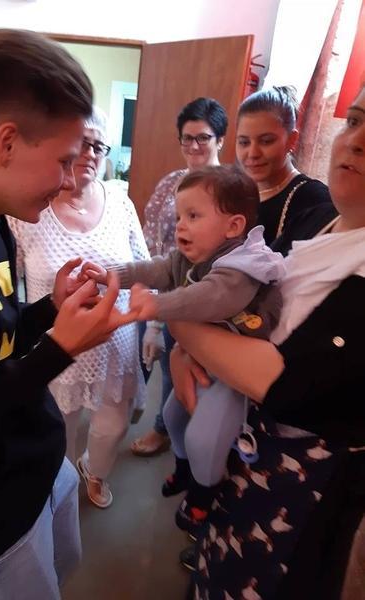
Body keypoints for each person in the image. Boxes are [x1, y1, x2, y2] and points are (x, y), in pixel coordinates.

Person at [0, 29, 137, 600]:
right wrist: (59, 350)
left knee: (62, 572)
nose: (70, 178)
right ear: (7, 143)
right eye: (63, 160)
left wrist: (47, 311)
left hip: (37, 464)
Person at [169, 85, 365, 600]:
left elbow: (282, 381)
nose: (357, 140)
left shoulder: (309, 202)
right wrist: (187, 347)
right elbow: (249, 294)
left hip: (296, 487)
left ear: (291, 139)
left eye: (267, 140)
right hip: (245, 449)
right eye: (354, 120)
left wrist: (177, 322)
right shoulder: (326, 223)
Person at [81, 164, 285, 536]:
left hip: (236, 375)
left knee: (202, 436)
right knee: (174, 417)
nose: (180, 226)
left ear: (233, 227)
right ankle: (185, 469)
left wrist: (157, 306)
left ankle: (202, 497)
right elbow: (156, 268)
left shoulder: (242, 267)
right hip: (205, 359)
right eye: (179, 217)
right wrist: (113, 275)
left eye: (193, 216)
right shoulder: (191, 257)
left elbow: (210, 298)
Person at [9, 107, 149, 510]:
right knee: (60, 426)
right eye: (81, 144)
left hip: (116, 341)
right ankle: (62, 485)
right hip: (58, 347)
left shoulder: (120, 203)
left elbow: (144, 266)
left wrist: (154, 326)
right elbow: (9, 285)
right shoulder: (29, 212)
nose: (90, 153)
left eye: (98, 146)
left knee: (113, 424)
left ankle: (95, 470)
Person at [133, 96, 228, 456]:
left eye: (203, 137)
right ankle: (151, 418)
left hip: (200, 300)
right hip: (160, 288)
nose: (194, 146)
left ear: (220, 140)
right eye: (187, 138)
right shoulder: (170, 183)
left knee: (185, 370)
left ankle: (171, 434)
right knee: (150, 359)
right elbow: (151, 238)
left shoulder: (230, 188)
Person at [236, 85, 336, 255]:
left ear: (292, 140)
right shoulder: (232, 193)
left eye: (266, 141)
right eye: (244, 142)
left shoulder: (315, 201)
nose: (252, 153)